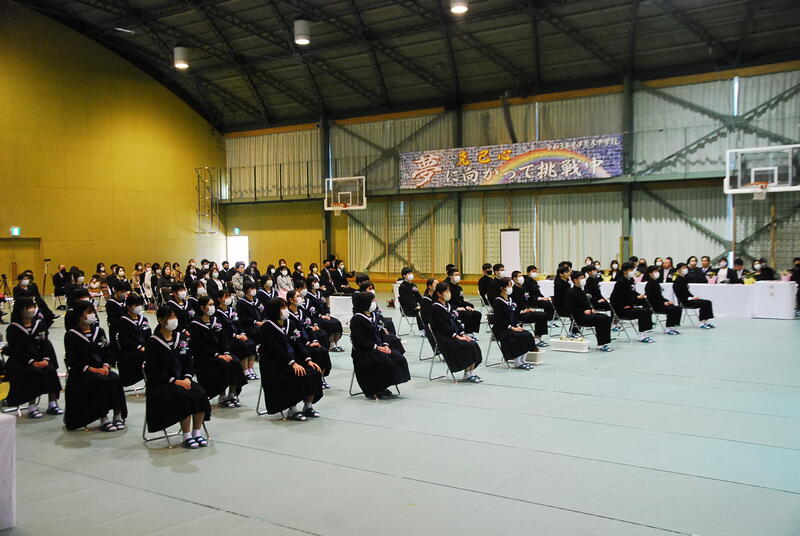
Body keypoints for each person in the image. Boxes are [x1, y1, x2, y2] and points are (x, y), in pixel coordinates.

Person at [144, 305, 211, 448]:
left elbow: (188, 362)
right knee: (184, 396)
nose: (173, 320)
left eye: (174, 317)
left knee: (200, 393)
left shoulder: (181, 338)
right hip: (162, 383)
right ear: (160, 320)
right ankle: (186, 435)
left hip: (183, 379)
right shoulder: (153, 342)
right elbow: (153, 370)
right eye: (170, 317)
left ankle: (196, 432)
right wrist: (175, 381)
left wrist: (187, 378)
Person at [63, 300, 128, 431]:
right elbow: (71, 360)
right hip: (83, 372)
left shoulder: (99, 332)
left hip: (102, 369)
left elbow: (108, 352)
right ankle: (103, 417)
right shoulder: (71, 335)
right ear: (80, 315)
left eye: (93, 311)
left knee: (115, 378)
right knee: (100, 381)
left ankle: (117, 414)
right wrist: (92, 369)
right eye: (89, 312)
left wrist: (106, 366)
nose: (92, 314)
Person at [258, 298, 323, 420]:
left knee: (313, 371)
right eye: (282, 308)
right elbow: (275, 349)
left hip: (292, 359)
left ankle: (308, 406)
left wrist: (308, 359)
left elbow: (297, 344)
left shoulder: (290, 324)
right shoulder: (267, 327)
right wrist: (293, 363)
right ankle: (292, 410)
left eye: (285, 307)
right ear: (274, 310)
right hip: (274, 363)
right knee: (294, 375)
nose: (286, 310)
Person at [3, 298, 63, 418]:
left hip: (40, 359)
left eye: (32, 307)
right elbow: (16, 350)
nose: (31, 310)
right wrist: (31, 362)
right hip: (21, 361)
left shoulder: (40, 325)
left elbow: (45, 344)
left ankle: (52, 404)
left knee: (50, 370)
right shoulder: (13, 329)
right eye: (27, 308)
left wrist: (45, 359)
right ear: (20, 310)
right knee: (32, 372)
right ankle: (32, 406)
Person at [349, 291, 411, 399]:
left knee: (398, 358)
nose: (375, 302)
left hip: (380, 347)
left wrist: (386, 345)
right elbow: (359, 341)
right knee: (385, 362)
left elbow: (382, 332)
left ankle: (386, 385)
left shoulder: (376, 316)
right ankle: (376, 388)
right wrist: (377, 347)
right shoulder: (357, 320)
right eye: (372, 300)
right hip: (365, 351)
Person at [189, 296, 247, 408]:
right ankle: (222, 395)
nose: (212, 307)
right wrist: (217, 355)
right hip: (205, 356)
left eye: (213, 304)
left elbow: (223, 339)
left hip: (221, 353)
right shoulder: (195, 325)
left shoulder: (216, 321)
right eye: (209, 305)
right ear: (202, 307)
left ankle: (232, 394)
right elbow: (199, 346)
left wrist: (226, 352)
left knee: (235, 362)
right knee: (223, 365)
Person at [429, 282, 483, 382]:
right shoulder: (436, 307)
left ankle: (470, 373)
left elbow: (455, 321)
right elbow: (442, 326)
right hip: (444, 337)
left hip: (454, 334)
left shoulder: (448, 306)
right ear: (439, 293)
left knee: (473, 343)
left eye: (449, 291)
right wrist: (457, 336)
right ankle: (467, 374)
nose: (448, 293)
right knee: (467, 345)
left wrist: (463, 334)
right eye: (446, 291)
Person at [286, 289, 333, 390]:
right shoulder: (288, 316)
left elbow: (308, 327)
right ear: (291, 300)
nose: (300, 298)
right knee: (316, 352)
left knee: (323, 350)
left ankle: (321, 377)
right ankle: (317, 379)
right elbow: (294, 334)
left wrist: (314, 340)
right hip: (297, 343)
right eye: (297, 296)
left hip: (307, 340)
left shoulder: (302, 312)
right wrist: (307, 343)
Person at [492, 278, 539, 370]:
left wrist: (517, 325)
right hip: (502, 328)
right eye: (508, 286)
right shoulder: (498, 301)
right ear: (502, 288)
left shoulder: (510, 299)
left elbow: (513, 315)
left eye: (511, 286)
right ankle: (517, 362)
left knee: (527, 334)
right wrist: (511, 327)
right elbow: (499, 319)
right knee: (517, 336)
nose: (510, 288)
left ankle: (523, 360)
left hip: (512, 326)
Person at [565, 271, 613, 352]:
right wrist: (583, 311)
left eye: (583, 278)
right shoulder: (571, 292)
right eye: (581, 278)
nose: (583, 280)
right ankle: (601, 344)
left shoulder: (582, 291)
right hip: (579, 317)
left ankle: (604, 342)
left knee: (606, 318)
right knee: (601, 320)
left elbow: (586, 304)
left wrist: (591, 309)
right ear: (575, 280)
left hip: (588, 314)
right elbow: (570, 308)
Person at [610, 262, 656, 343]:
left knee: (647, 310)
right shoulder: (620, 282)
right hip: (621, 309)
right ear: (624, 271)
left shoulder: (630, 280)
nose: (632, 272)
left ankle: (645, 332)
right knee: (643, 312)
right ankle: (641, 336)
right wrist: (625, 305)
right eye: (630, 270)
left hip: (628, 305)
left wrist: (639, 295)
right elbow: (617, 298)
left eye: (633, 270)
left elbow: (632, 292)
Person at [115, 294, 151, 387]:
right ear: (129, 307)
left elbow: (148, 335)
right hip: (131, 350)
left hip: (145, 348)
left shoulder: (144, 319)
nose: (139, 307)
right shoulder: (123, 321)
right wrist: (139, 347)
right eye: (136, 305)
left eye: (140, 304)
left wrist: (149, 346)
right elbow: (124, 340)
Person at [509, 271, 549, 347]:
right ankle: (536, 339)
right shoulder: (513, 291)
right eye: (519, 276)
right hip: (518, 313)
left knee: (543, 314)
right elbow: (512, 305)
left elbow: (527, 300)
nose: (522, 278)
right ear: (514, 279)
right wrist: (522, 311)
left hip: (526, 310)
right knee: (541, 316)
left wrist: (528, 308)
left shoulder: (523, 288)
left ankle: (538, 337)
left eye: (522, 276)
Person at [304, 276, 344, 352]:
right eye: (314, 282)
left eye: (317, 281)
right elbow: (310, 309)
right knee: (329, 324)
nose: (316, 283)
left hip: (325, 315)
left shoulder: (320, 293)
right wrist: (321, 316)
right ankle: (331, 344)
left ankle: (336, 342)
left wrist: (327, 314)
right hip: (315, 317)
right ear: (310, 283)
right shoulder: (308, 295)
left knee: (336, 322)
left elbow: (325, 305)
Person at [237, 282, 265, 379]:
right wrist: (255, 322)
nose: (253, 290)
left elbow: (262, 312)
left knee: (255, 348)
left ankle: (251, 368)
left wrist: (263, 320)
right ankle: (246, 370)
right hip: (247, 327)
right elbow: (242, 318)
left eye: (254, 288)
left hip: (258, 326)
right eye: (251, 288)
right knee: (250, 346)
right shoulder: (241, 302)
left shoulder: (257, 300)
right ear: (246, 290)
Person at [673, 263, 715, 328]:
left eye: (686, 267)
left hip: (689, 299)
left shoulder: (684, 278)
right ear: (679, 270)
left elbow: (687, 292)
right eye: (683, 268)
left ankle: (705, 321)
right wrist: (689, 298)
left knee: (708, 302)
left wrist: (693, 297)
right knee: (704, 303)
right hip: (685, 301)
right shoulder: (677, 280)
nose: (685, 269)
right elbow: (679, 294)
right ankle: (701, 322)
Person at [644, 266, 682, 335]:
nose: (657, 273)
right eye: (655, 271)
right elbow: (651, 298)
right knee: (672, 309)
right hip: (655, 305)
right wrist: (663, 303)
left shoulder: (656, 282)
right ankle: (667, 328)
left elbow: (660, 296)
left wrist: (667, 301)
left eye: (657, 271)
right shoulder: (649, 284)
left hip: (660, 303)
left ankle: (672, 326)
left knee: (677, 308)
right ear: (650, 273)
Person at [444, 267, 482, 334]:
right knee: (468, 314)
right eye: (456, 275)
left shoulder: (459, 287)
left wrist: (466, 306)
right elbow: (445, 302)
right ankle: (467, 332)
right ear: (450, 277)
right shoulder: (447, 288)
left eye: (458, 274)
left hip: (459, 306)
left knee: (477, 314)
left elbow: (461, 300)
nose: (458, 276)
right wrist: (456, 308)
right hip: (452, 308)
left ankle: (470, 332)